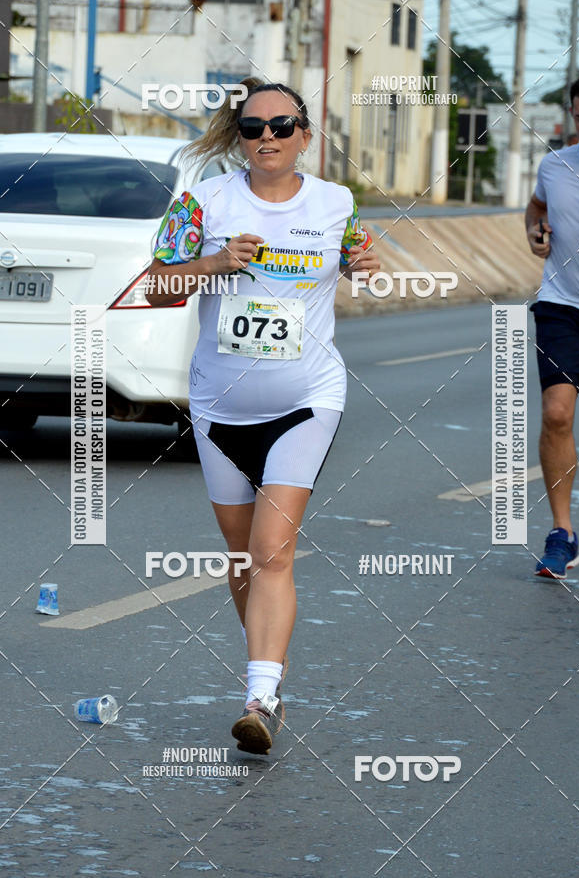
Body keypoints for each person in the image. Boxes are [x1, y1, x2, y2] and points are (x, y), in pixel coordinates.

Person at [145, 78, 381, 753]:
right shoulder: (204, 199)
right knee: (244, 554)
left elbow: (360, 257)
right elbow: (156, 286)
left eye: (282, 126)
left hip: (306, 399)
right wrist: (215, 261)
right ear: (240, 137)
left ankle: (260, 693)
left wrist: (364, 263)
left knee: (275, 549)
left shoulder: (336, 202)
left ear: (306, 133)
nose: (268, 138)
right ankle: (266, 660)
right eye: (253, 128)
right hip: (220, 406)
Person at [525, 71, 579, 579]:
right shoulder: (555, 165)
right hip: (562, 304)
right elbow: (536, 209)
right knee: (556, 413)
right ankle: (561, 532)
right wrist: (535, 231)